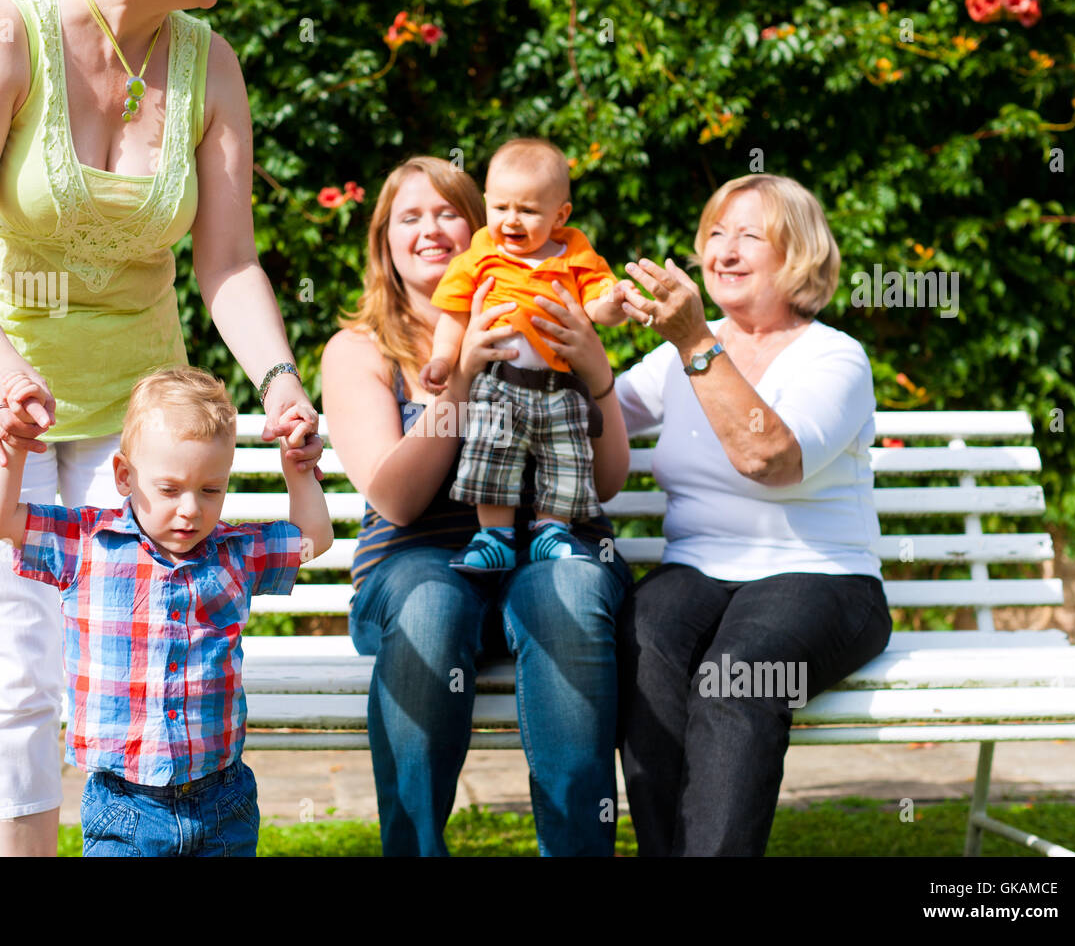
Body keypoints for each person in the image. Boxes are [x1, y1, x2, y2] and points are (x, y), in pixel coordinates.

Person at [0, 0, 320, 856]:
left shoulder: (213, 64)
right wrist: (2, 370)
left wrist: (278, 379)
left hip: (137, 413)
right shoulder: (8, 34)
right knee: (16, 663)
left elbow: (229, 258)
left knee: (138, 652)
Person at [320, 156, 633, 856]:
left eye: (447, 212)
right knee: (434, 606)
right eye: (410, 217)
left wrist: (598, 374)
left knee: (570, 588)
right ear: (384, 242)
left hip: (549, 552)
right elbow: (396, 500)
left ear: (483, 228)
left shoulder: (554, 314)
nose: (430, 230)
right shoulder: (359, 351)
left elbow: (606, 483)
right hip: (417, 566)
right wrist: (459, 377)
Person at [612, 173, 893, 856]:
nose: (724, 251)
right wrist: (581, 342)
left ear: (798, 255)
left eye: (749, 236)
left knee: (737, 674)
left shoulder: (834, 357)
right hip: (698, 569)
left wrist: (697, 345)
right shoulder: (674, 353)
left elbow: (769, 458)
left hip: (824, 577)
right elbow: (598, 425)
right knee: (642, 646)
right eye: (715, 233)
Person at [0, 367, 332, 856]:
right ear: (125, 476)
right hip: (123, 805)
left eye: (211, 490)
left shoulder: (235, 551)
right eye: (170, 489)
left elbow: (313, 541)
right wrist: (13, 454)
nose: (191, 509)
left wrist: (298, 474)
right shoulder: (86, 543)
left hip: (222, 799)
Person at [418, 138, 630, 572]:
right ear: (486, 205)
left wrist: (616, 302)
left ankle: (551, 530)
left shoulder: (575, 254)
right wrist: (443, 360)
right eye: (500, 208)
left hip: (561, 386)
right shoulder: (481, 254)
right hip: (500, 382)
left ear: (560, 215)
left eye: (528, 211)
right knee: (490, 454)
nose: (511, 221)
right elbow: (455, 316)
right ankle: (493, 536)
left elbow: (597, 304)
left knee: (567, 456)